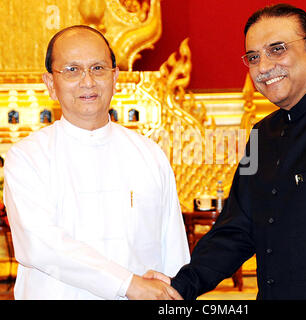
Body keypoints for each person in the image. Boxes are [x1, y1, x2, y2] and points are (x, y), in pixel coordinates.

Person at [144, 4, 306, 299]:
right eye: (253, 57)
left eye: (277, 50)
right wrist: (180, 285)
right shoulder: (261, 135)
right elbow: (236, 230)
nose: (264, 67)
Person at [3, 25, 190, 300]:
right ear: (50, 84)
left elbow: (173, 247)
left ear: (115, 77)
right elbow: (40, 244)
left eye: (98, 68)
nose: (87, 81)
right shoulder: (27, 157)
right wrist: (128, 284)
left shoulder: (148, 154)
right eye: (72, 70)